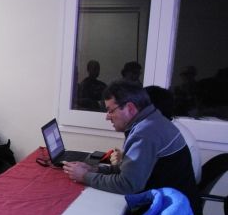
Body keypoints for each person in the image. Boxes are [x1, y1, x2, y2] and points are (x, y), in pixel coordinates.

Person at [63, 82, 196, 205]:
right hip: (169, 204)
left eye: (110, 110)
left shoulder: (145, 132)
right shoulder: (152, 120)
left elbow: (127, 185)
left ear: (130, 108)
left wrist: (84, 176)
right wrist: (94, 169)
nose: (107, 116)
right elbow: (130, 170)